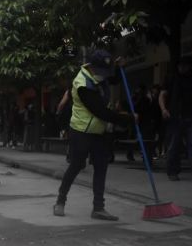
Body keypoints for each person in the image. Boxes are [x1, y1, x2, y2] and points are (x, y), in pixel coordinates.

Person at [54, 50, 137, 220]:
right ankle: (60, 201)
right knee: (77, 165)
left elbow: (113, 79)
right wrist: (127, 119)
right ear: (92, 67)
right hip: (81, 131)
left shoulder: (100, 74)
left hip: (99, 131)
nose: (104, 75)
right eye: (101, 71)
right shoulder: (82, 84)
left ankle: (98, 208)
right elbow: (100, 111)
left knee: (101, 167)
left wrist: (120, 69)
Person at [159, 58, 192, 183]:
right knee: (173, 146)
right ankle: (172, 171)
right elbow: (162, 94)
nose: (182, 68)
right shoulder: (172, 78)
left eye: (185, 65)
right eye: (180, 65)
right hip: (175, 116)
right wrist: (163, 109)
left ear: (190, 66)